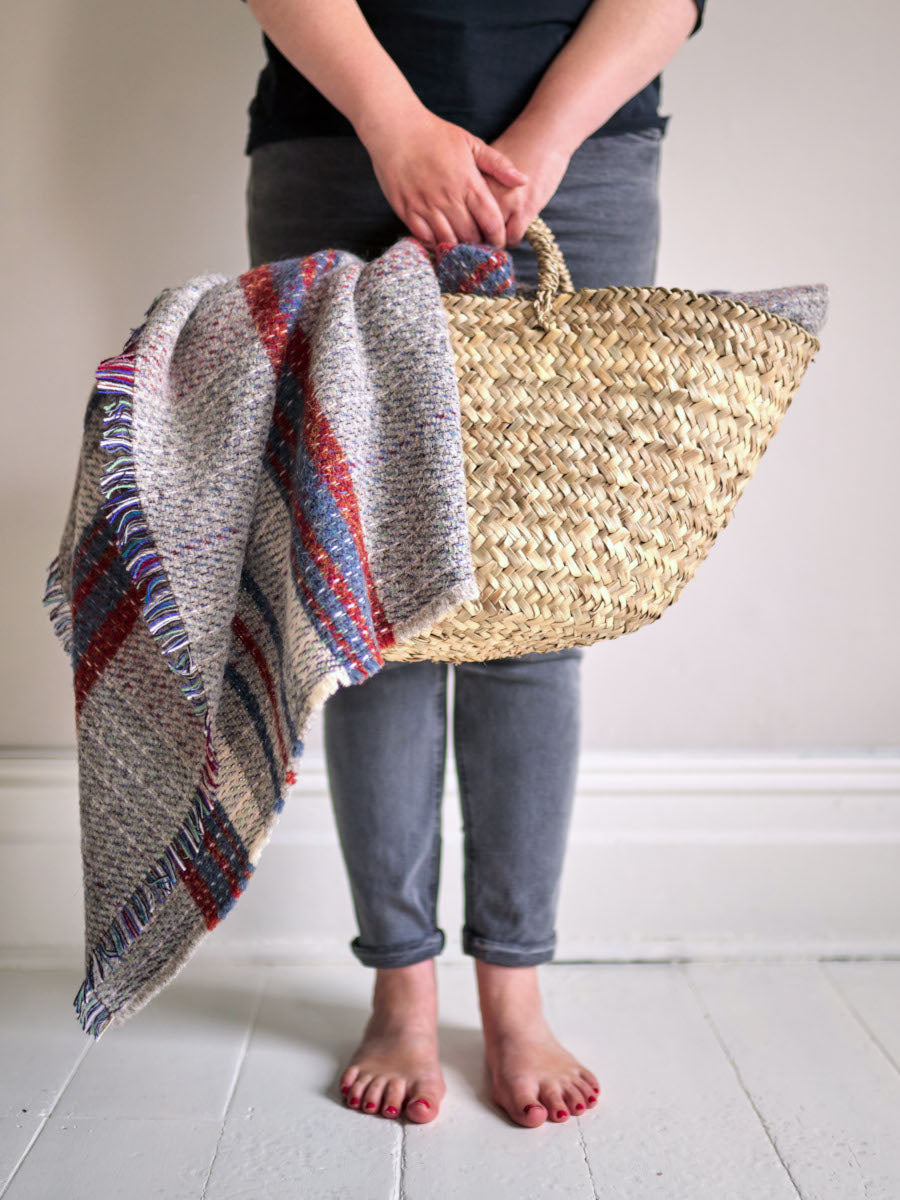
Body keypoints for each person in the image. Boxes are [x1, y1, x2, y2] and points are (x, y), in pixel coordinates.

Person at [241, 0, 705, 1128]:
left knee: (537, 609)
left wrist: (546, 139)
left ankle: (514, 988)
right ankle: (401, 988)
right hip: (342, 137)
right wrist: (392, 123)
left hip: (579, 157)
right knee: (374, 614)